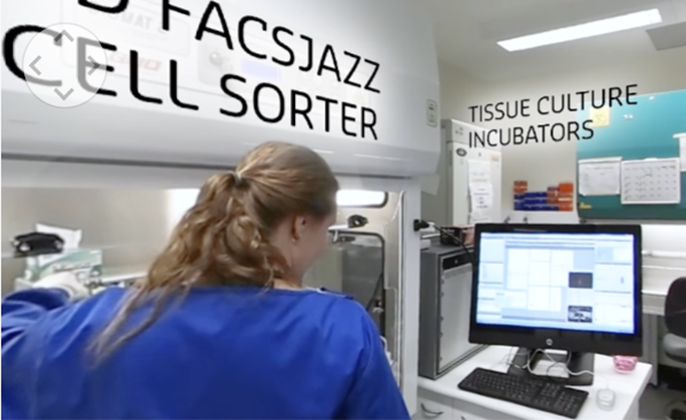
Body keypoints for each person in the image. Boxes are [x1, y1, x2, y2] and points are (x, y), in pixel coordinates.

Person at [1, 141, 409, 420]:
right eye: (327, 230)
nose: (324, 247)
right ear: (300, 225)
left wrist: (52, 291)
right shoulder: (341, 330)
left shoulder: (110, 318)